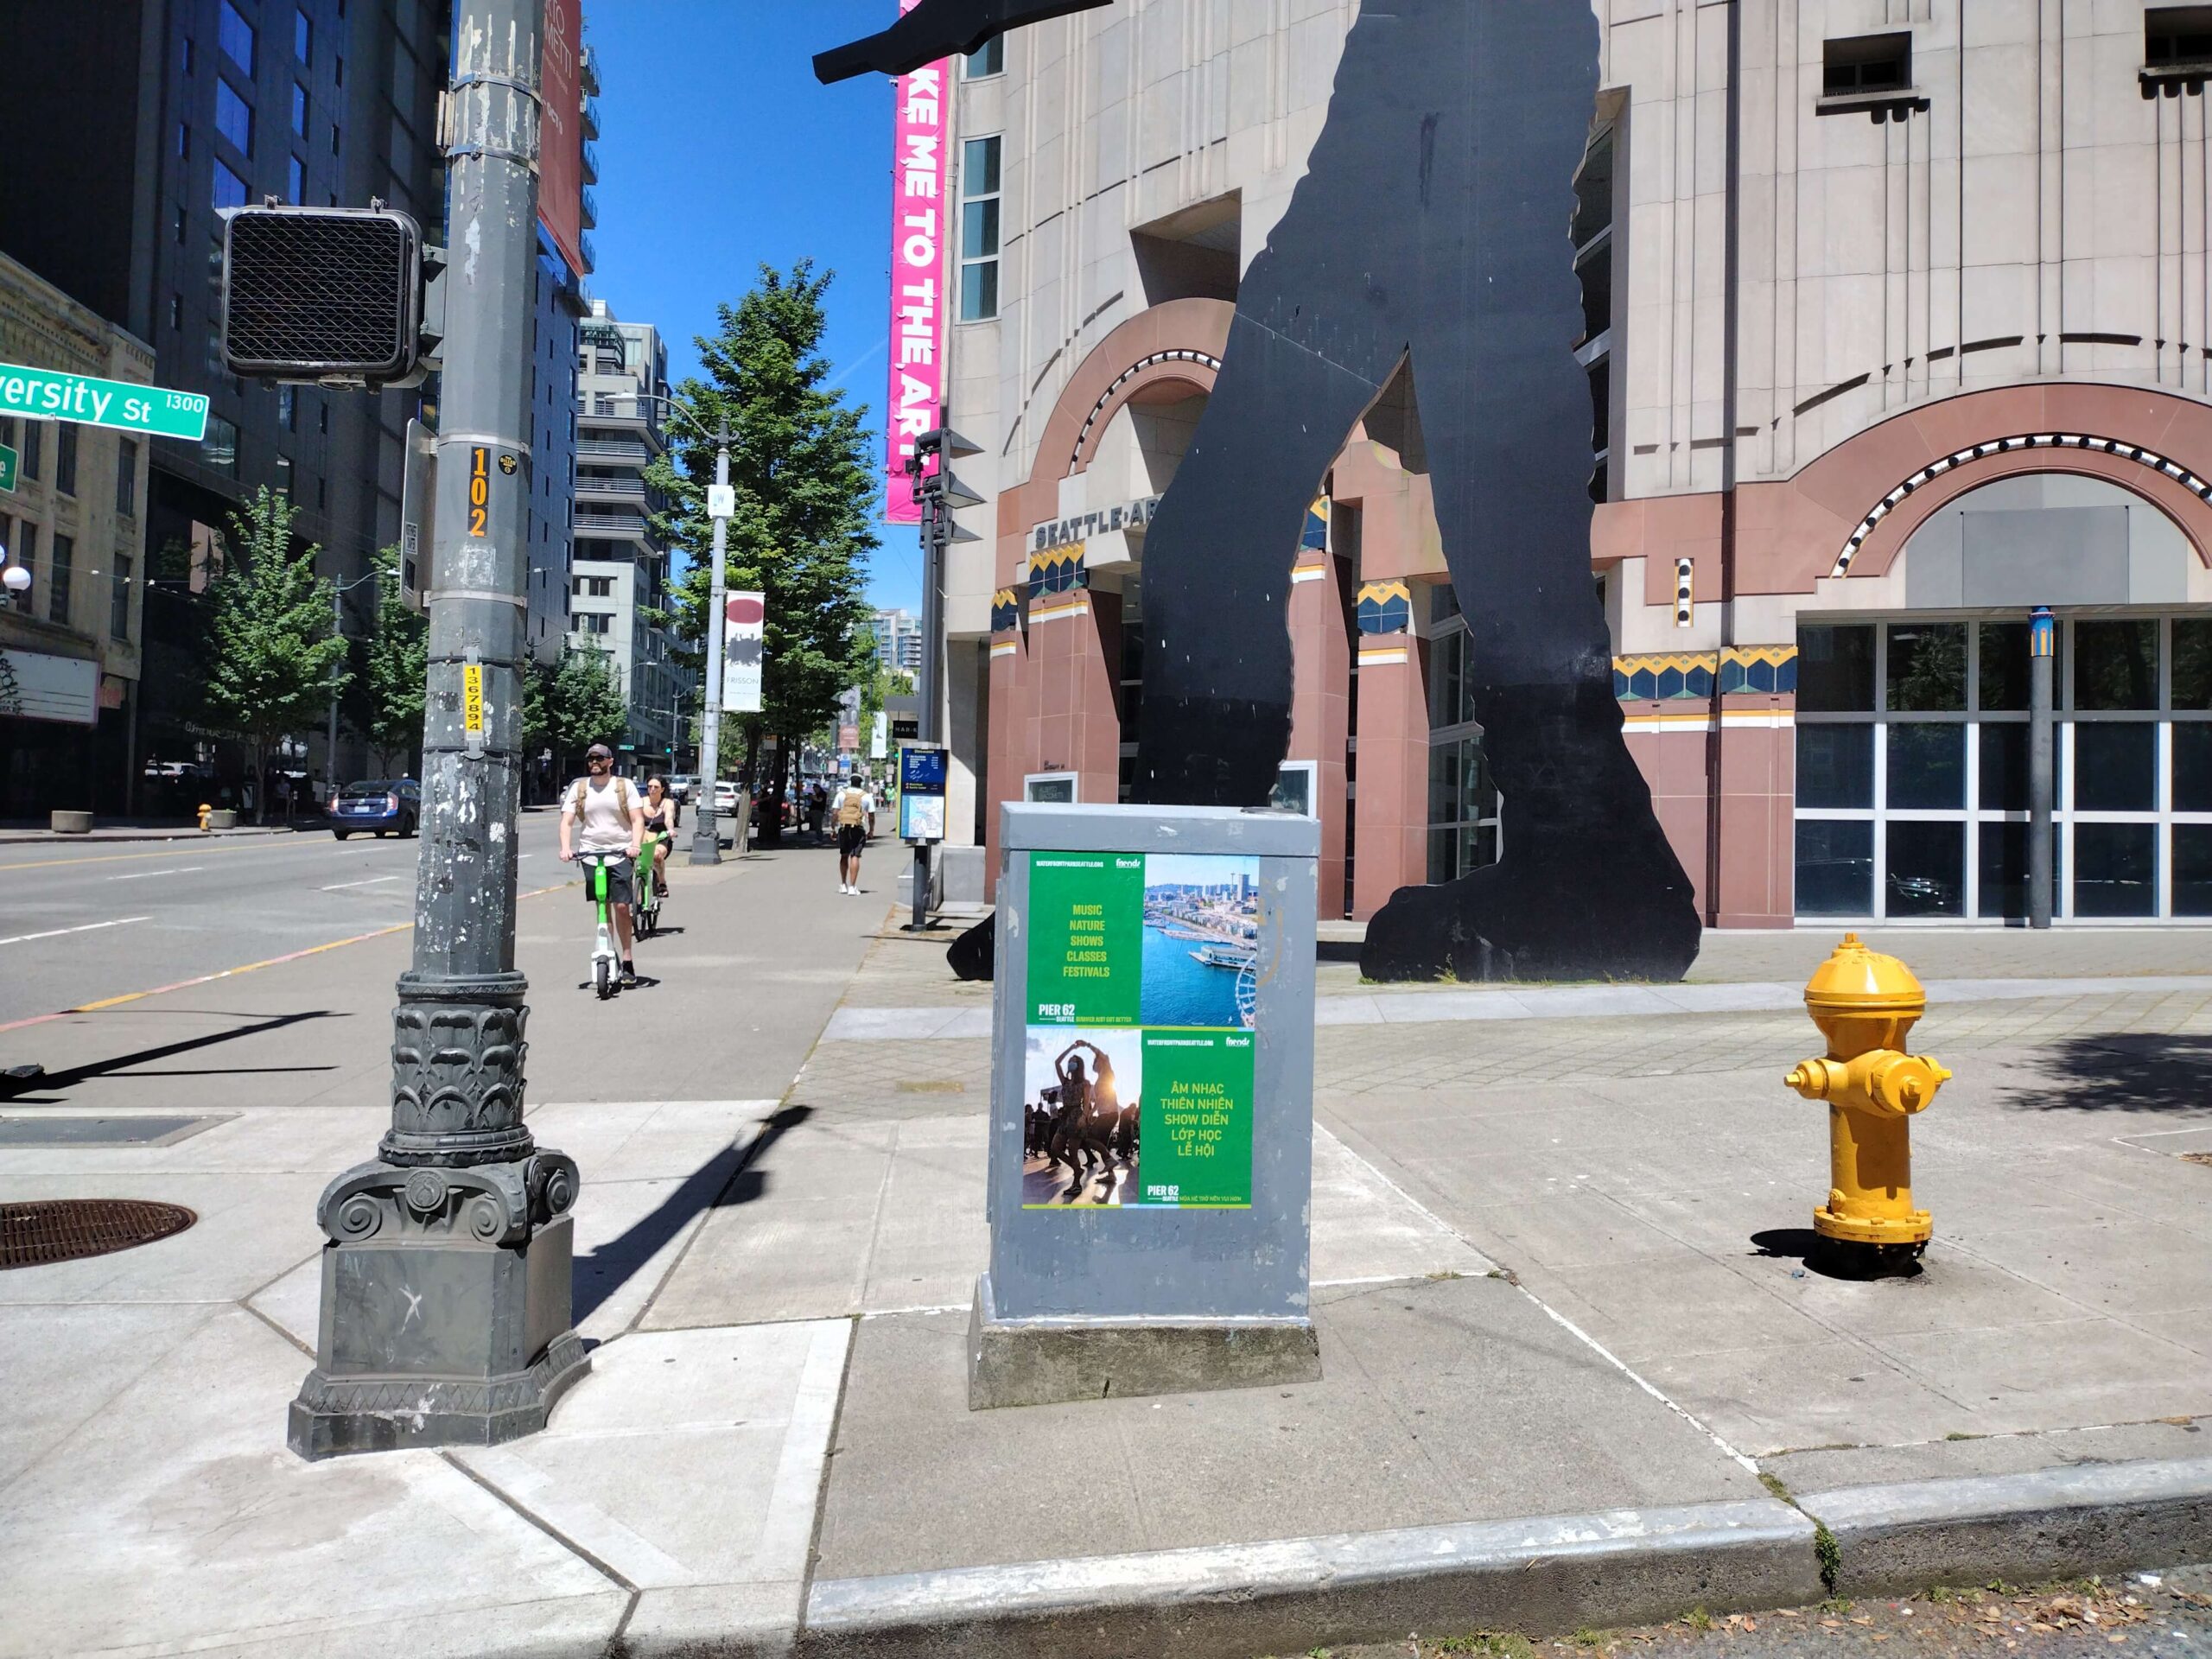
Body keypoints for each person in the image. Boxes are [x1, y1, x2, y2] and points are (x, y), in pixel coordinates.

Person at [558, 743, 645, 985]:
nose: (594, 762)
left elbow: (638, 820)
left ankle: (627, 959)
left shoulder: (623, 786)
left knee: (620, 907)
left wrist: (635, 845)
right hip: (590, 854)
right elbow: (567, 822)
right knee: (602, 904)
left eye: (599, 758)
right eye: (591, 758)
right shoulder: (580, 788)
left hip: (620, 853)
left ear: (610, 761)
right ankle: (608, 951)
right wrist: (566, 848)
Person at [639, 775, 678, 897]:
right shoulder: (641, 802)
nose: (652, 789)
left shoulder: (667, 803)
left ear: (662, 789)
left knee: (656, 855)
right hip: (643, 837)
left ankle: (662, 883)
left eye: (656, 787)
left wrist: (670, 830)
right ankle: (635, 892)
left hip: (661, 837)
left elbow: (669, 818)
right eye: (650, 786)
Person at [831, 773, 870, 894]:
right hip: (857, 828)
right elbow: (872, 815)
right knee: (855, 856)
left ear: (850, 782)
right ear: (861, 783)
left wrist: (833, 828)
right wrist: (872, 830)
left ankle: (843, 884)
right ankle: (852, 887)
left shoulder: (842, 794)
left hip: (843, 828)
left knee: (844, 855)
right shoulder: (866, 796)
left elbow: (835, 813)